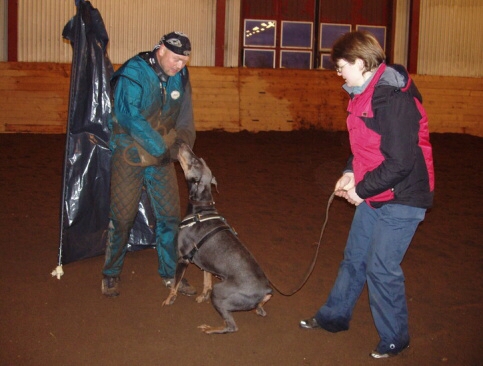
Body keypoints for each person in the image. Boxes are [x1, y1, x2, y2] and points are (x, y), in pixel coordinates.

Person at [299, 31, 434, 359]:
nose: (339, 73)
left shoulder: (392, 98)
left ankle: (395, 337)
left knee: (381, 267)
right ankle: (334, 316)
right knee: (355, 256)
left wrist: (362, 188)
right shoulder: (362, 93)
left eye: (342, 66)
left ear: (361, 62)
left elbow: (401, 161)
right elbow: (365, 147)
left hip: (404, 196)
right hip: (379, 187)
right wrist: (350, 171)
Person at [101, 31, 197, 298]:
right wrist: (162, 149)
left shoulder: (181, 76)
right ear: (161, 50)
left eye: (184, 61)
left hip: (163, 154)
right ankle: (111, 273)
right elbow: (129, 117)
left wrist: (181, 147)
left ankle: (170, 274)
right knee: (122, 218)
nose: (179, 65)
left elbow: (185, 117)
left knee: (169, 217)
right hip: (130, 153)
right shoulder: (133, 73)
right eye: (176, 59)